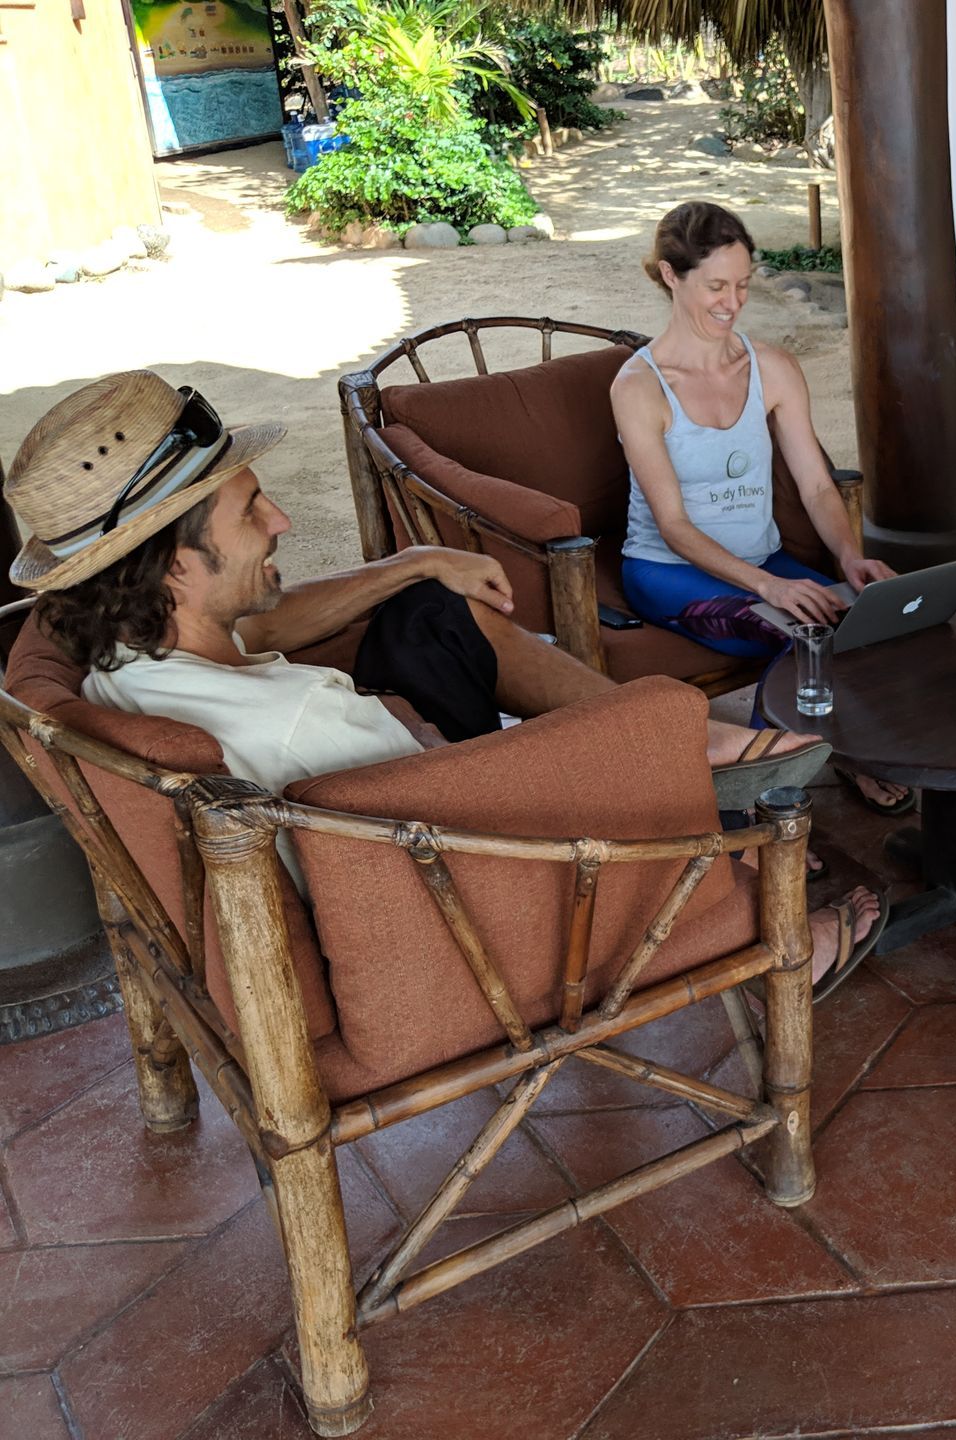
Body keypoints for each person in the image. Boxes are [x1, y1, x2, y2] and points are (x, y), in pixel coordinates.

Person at [5, 371, 882, 994]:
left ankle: (703, 757)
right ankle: (755, 916)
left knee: (434, 612)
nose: (280, 521)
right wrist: (633, 748)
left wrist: (415, 564)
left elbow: (265, 628)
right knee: (649, 735)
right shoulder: (298, 720)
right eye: (249, 512)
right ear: (171, 570)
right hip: (461, 906)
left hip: (377, 839)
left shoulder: (122, 662)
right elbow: (484, 820)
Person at [612, 200, 909, 815]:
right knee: (797, 635)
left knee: (867, 624)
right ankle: (749, 812)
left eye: (743, 284)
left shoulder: (771, 366)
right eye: (715, 285)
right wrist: (767, 586)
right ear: (671, 275)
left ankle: (836, 761)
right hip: (666, 571)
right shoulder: (639, 387)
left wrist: (849, 558)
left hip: (761, 562)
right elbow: (672, 524)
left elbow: (818, 486)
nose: (732, 301)